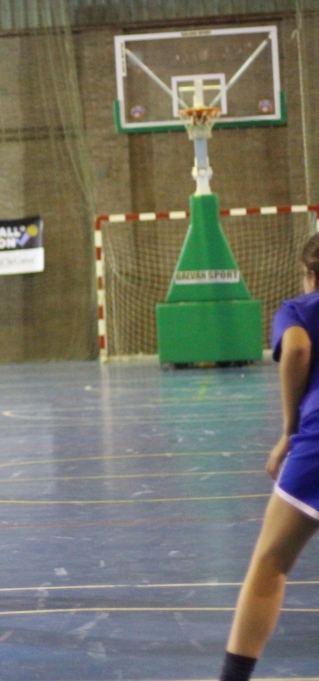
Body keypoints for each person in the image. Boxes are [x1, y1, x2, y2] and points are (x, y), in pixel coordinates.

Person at [219, 233, 319, 680]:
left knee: (270, 563)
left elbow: (296, 347)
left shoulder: (298, 309)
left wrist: (288, 431)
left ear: (310, 274)